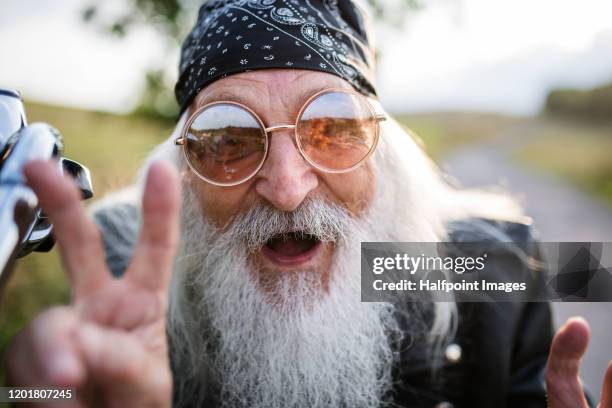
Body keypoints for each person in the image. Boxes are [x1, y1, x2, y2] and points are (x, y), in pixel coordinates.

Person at [6, 0, 611, 407]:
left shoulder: (477, 259)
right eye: (229, 141)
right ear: (184, 174)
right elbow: (46, 396)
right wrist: (41, 397)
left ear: (382, 154)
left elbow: (591, 276)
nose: (289, 188)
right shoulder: (134, 267)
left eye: (332, 128)